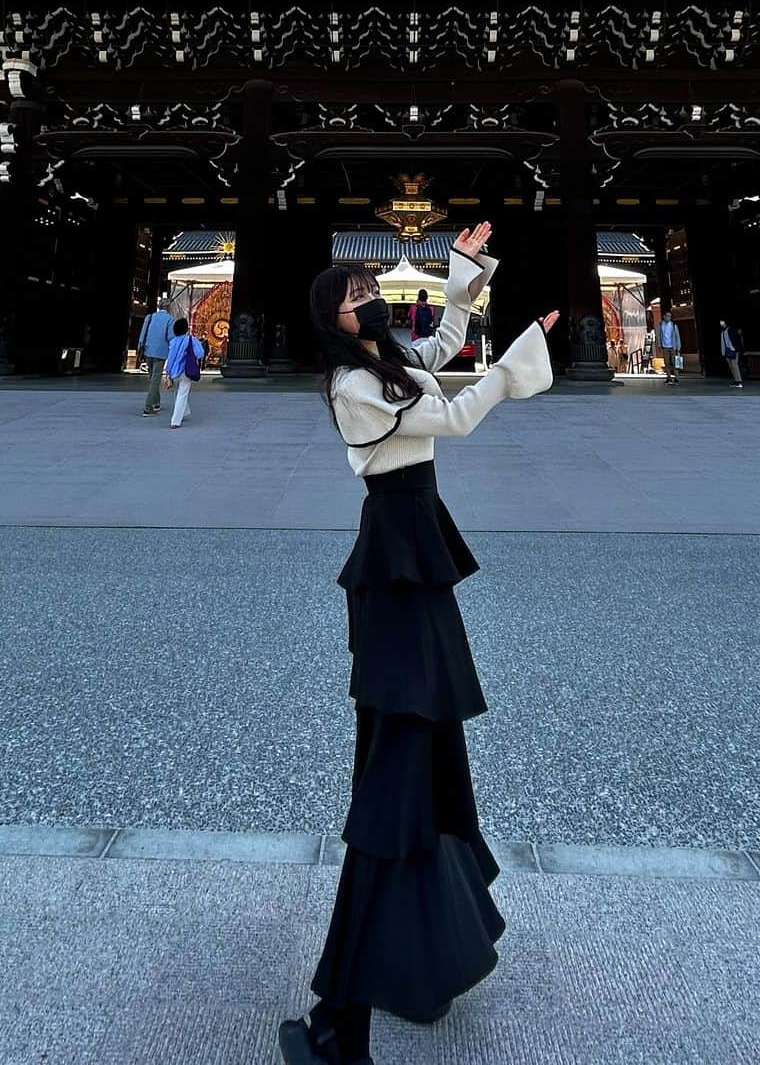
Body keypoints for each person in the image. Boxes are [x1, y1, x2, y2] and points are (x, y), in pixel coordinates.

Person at [278, 220, 558, 1065]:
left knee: (426, 758)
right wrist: (512, 369)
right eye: (357, 297)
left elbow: (439, 349)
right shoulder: (349, 385)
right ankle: (343, 1022)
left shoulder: (386, 368)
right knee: (398, 775)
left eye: (371, 291)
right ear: (334, 318)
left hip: (416, 562)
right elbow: (454, 414)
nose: (372, 301)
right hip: (395, 572)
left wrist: (462, 270)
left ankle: (421, 961)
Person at [162, 317, 202, 428]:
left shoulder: (173, 341)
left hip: (174, 372)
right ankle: (175, 420)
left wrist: (168, 373)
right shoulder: (191, 340)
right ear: (186, 329)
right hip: (186, 371)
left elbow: (170, 358)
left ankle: (184, 411)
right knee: (182, 394)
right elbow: (200, 353)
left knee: (177, 393)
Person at [138, 296, 174, 415]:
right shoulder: (169, 319)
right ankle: (148, 407)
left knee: (153, 378)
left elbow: (143, 333)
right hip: (161, 352)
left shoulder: (150, 317)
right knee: (155, 379)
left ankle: (156, 402)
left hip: (148, 350)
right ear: (168, 307)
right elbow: (170, 337)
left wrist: (140, 348)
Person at [658, 308, 680, 384]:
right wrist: (659, 345)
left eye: (670, 316)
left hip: (672, 346)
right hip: (665, 346)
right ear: (664, 316)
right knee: (666, 363)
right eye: (667, 316)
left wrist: (678, 347)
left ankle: (676, 377)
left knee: (674, 362)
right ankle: (669, 377)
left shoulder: (673, 325)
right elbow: (659, 335)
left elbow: (677, 336)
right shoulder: (661, 325)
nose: (668, 317)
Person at [720, 318, 744, 387]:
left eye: (722, 321)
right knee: (731, 366)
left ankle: (739, 382)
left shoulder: (731, 330)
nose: (721, 322)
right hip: (727, 351)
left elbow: (737, 338)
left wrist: (735, 348)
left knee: (734, 365)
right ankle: (736, 381)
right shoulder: (722, 331)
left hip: (733, 350)